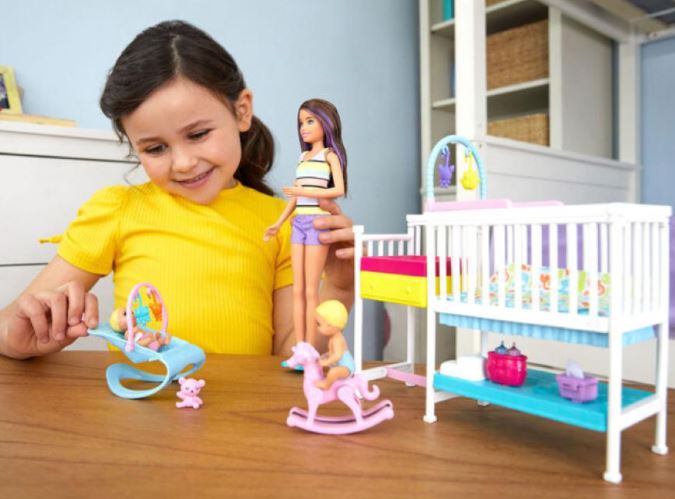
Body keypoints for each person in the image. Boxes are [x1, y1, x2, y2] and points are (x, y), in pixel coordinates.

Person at [0, 20, 354, 360]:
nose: (183, 163)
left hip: (240, 405)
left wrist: (340, 288)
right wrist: (19, 340)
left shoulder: (281, 224)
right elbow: (10, 326)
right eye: (155, 148)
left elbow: (294, 357)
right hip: (144, 401)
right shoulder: (116, 210)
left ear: (242, 111)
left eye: (198, 134)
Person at [264, 99, 347, 348]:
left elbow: (339, 189)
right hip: (298, 223)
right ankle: (300, 348)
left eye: (310, 121)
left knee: (311, 290)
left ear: (326, 123)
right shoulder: (303, 157)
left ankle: (310, 347)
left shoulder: (329, 156)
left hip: (316, 223)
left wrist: (304, 190)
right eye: (301, 123)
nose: (304, 128)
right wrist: (278, 223)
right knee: (297, 289)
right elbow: (295, 197)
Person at [313, 300, 354, 390]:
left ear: (331, 325)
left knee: (333, 372)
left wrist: (326, 362)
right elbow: (332, 352)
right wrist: (324, 356)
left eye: (319, 324)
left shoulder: (337, 340)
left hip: (346, 368)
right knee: (330, 369)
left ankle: (326, 385)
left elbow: (337, 355)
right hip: (340, 365)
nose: (317, 327)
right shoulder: (333, 338)